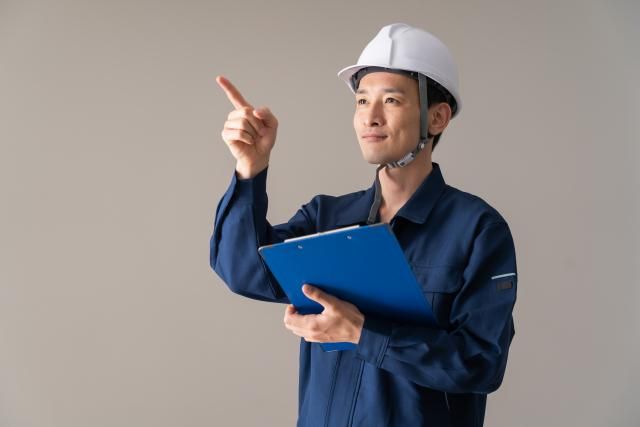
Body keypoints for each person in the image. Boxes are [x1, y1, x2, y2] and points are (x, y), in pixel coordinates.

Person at [210, 22, 518, 427]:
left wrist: (363, 333)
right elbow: (243, 271)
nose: (370, 117)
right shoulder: (326, 218)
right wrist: (251, 168)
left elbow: (480, 363)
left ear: (437, 117)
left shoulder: (477, 230)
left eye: (391, 100)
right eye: (361, 101)